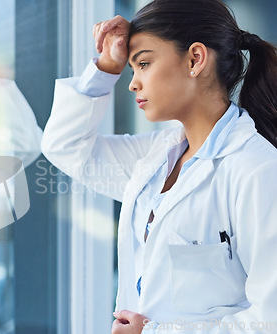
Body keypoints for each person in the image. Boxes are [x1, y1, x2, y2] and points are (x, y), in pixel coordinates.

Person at [41, 0, 277, 333]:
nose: (132, 83)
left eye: (144, 63)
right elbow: (66, 147)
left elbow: (270, 319)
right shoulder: (153, 157)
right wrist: (106, 66)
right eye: (132, 68)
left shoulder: (256, 170)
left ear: (195, 59)